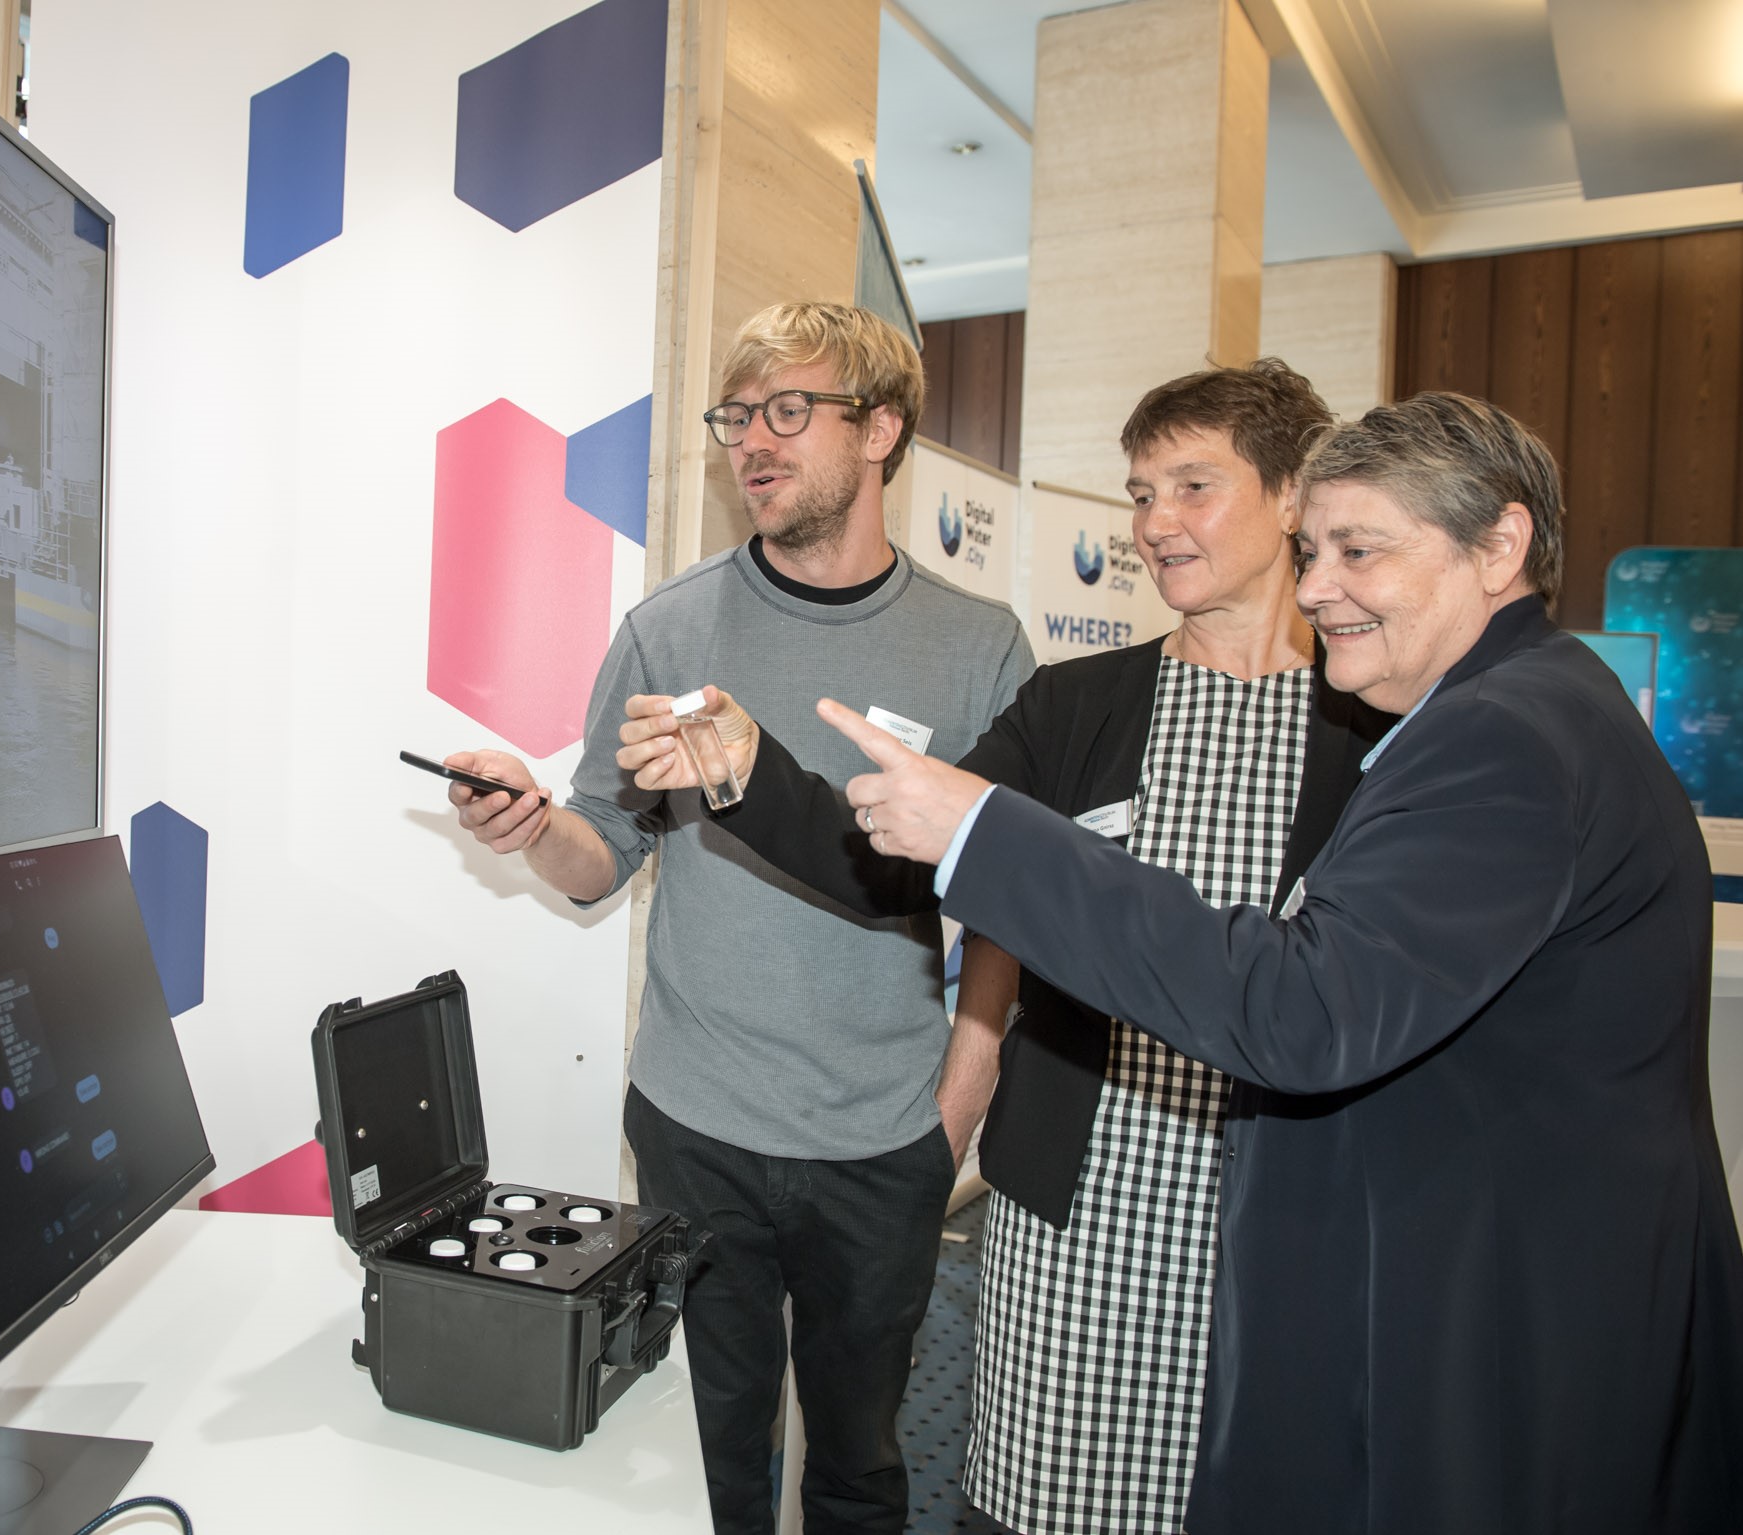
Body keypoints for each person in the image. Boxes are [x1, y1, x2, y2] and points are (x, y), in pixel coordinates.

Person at [810, 393, 1743, 1533]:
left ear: (1498, 545)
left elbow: (1304, 1006)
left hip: (1506, 1334)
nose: (1314, 587)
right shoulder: (1518, 707)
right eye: (1314, 552)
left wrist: (988, 834)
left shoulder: (1498, 736)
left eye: (1359, 551)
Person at [620, 359, 1390, 1535]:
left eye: (1192, 486)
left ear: (1292, 494)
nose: (1155, 523)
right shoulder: (1078, 706)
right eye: (1140, 493)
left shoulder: (1378, 727)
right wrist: (751, 770)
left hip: (1282, 1214)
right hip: (1080, 1209)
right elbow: (895, 862)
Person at [443, 301, 1031, 1533]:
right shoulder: (669, 627)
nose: (752, 442)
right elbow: (599, 852)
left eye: (788, 411)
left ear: (879, 428)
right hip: (694, 1127)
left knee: (858, 1467)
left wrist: (955, 1106)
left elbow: (1003, 906)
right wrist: (530, 822)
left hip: (882, 1138)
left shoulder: (978, 648)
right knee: (698, 1462)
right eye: (736, 416)